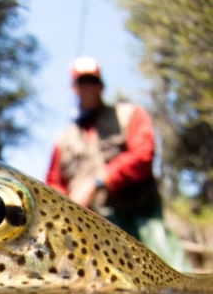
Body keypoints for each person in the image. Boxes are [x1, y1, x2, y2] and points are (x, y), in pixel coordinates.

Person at [45, 56, 189, 271]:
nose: (88, 88)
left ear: (101, 85)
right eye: (82, 82)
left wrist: (98, 181)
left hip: (142, 221)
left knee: (174, 277)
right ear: (74, 88)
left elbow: (143, 155)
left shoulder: (130, 115)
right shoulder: (63, 140)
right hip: (93, 234)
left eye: (93, 81)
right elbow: (53, 184)